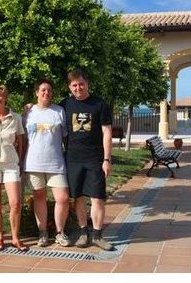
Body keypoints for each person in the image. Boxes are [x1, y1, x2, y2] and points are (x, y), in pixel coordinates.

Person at [59, 69, 116, 251]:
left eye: (81, 84)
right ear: (69, 87)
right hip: (73, 160)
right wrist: (30, 107)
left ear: (87, 83)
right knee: (79, 197)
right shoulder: (65, 105)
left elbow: (107, 133)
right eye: (74, 85)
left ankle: (98, 235)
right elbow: (49, 113)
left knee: (98, 197)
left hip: (95, 160)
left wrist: (107, 159)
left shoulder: (100, 104)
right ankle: (84, 232)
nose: (78, 88)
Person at [23, 78, 71, 248]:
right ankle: (43, 232)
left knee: (63, 198)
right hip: (34, 162)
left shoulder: (58, 111)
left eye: (49, 90)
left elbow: (65, 137)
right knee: (39, 197)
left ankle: (60, 232)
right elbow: (21, 138)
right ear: (36, 92)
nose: (46, 93)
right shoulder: (28, 112)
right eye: (43, 90)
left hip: (56, 162)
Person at [0, 84, 28, 252]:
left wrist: (20, 161)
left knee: (15, 202)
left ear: (5, 97)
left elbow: (21, 141)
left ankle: (15, 237)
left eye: (0, 95)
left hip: (10, 164)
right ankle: (0, 236)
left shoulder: (15, 117)